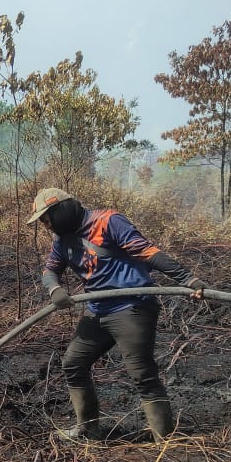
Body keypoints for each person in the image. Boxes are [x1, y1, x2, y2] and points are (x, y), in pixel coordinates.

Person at [28, 187, 206, 442]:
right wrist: (54, 289)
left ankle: (165, 442)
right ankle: (88, 431)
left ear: (61, 211)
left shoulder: (108, 221)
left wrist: (188, 279)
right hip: (97, 310)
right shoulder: (62, 242)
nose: (46, 226)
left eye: (46, 219)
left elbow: (146, 252)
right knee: (73, 364)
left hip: (131, 307)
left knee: (142, 374)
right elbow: (49, 271)